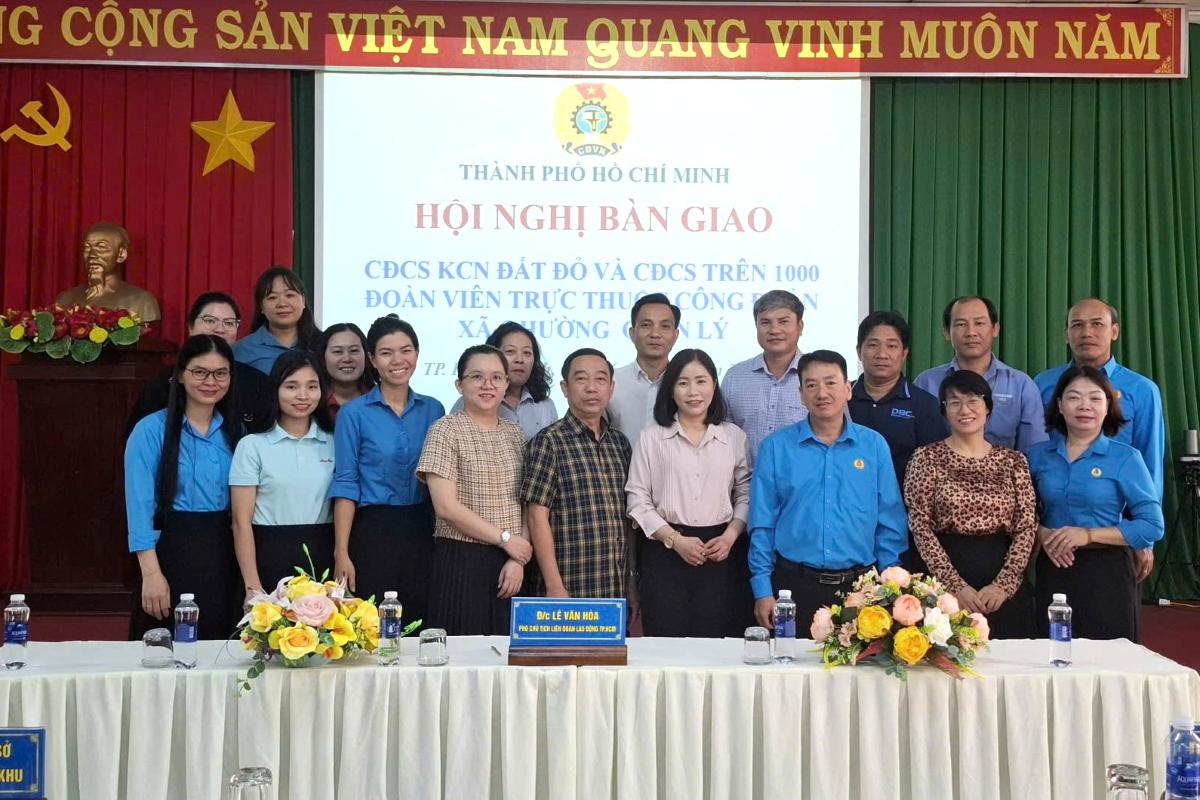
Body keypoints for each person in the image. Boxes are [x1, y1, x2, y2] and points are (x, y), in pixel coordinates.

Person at [749, 350, 908, 628]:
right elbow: (762, 523)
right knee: (791, 669)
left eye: (831, 382)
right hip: (792, 587)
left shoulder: (873, 446)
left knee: (857, 671)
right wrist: (763, 589)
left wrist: (888, 585)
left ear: (848, 389)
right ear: (801, 394)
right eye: (811, 385)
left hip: (861, 591)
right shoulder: (776, 448)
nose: (822, 392)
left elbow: (890, 520)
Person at [1027, 365, 1164, 641]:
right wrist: (1042, 533)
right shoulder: (1039, 455)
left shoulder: (1126, 457)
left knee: (1109, 664)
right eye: (1074, 397)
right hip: (1054, 566)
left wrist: (1087, 535)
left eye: (1095, 398)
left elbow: (1152, 526)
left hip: (1107, 571)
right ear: (1060, 405)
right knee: (1052, 659)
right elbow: (1022, 512)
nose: (1084, 406)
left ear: (1108, 406)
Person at [903, 370, 1037, 638]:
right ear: (944, 411)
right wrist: (953, 586)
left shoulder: (1014, 461)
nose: (964, 409)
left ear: (988, 407)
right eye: (954, 402)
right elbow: (920, 527)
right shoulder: (926, 458)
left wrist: (1003, 585)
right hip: (942, 576)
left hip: (1000, 577)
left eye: (973, 400)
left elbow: (1026, 528)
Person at [625, 349, 750, 637]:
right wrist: (675, 540)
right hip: (665, 553)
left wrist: (730, 536)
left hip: (721, 552)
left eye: (701, 381)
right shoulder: (651, 437)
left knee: (718, 645)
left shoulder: (733, 436)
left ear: (714, 386)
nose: (693, 392)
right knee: (668, 646)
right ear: (670, 390)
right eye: (683, 383)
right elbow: (638, 500)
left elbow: (746, 492)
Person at [124, 334, 242, 639]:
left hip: (223, 553)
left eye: (220, 373)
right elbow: (139, 508)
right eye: (199, 372)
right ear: (180, 374)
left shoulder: (237, 433)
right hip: (170, 551)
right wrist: (151, 574)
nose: (210, 381)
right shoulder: (150, 431)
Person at [330, 316, 444, 618]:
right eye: (386, 352)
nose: (398, 360)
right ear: (372, 359)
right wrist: (342, 551)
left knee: (421, 621)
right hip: (372, 531)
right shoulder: (353, 413)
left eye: (406, 350)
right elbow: (345, 483)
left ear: (417, 354)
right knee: (375, 625)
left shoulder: (434, 409)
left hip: (423, 528)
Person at [418, 345, 533, 634]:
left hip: (512, 562)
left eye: (497, 377)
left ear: (507, 383)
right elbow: (446, 507)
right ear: (459, 384)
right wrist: (505, 539)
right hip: (462, 560)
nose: (488, 385)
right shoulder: (445, 429)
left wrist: (517, 557)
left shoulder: (516, 433)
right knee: (463, 660)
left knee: (511, 661)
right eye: (477, 377)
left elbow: (528, 502)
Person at [521, 348, 632, 599]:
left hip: (614, 589)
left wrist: (631, 583)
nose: (592, 388)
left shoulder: (620, 444)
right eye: (581, 379)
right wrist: (554, 585)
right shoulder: (549, 442)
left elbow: (626, 519)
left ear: (611, 388)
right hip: (568, 587)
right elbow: (537, 517)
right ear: (564, 387)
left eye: (600, 379)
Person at [230, 351, 336, 602]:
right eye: (291, 386)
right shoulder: (252, 445)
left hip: (321, 557)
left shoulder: (334, 442)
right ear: (275, 390)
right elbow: (240, 522)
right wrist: (252, 587)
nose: (303, 396)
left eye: (312, 386)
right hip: (268, 556)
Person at [1033, 298, 1165, 498]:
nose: (1087, 333)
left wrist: (1143, 521)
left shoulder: (1142, 390)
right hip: (1052, 508)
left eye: (1097, 324)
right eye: (1077, 325)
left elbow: (1151, 460)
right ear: (1066, 335)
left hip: (1115, 516)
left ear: (1114, 331)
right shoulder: (1043, 384)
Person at [126, 292, 272, 436]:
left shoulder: (257, 383)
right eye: (209, 320)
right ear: (191, 327)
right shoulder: (163, 383)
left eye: (229, 323)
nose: (220, 329)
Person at [914, 296, 1047, 453]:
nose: (971, 332)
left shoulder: (1021, 385)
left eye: (979, 323)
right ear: (946, 332)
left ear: (995, 329)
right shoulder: (926, 383)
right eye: (961, 324)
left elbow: (1034, 450)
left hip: (1004, 475)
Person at [848, 310, 946, 484]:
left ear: (905, 353)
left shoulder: (924, 404)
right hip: (845, 504)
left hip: (900, 506)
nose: (882, 354)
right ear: (858, 351)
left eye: (892, 346)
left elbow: (935, 468)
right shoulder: (841, 399)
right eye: (872, 345)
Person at [721, 290, 808, 463]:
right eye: (765, 323)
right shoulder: (735, 377)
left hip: (802, 486)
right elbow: (721, 438)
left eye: (783, 322)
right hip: (744, 485)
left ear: (800, 327)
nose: (774, 330)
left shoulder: (817, 376)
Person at [449, 321, 557, 438]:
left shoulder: (546, 405)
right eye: (510, 351)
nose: (520, 360)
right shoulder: (470, 402)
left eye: (527, 353)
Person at [609, 293, 681, 443]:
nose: (655, 334)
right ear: (632, 333)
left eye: (665, 326)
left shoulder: (688, 386)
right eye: (646, 325)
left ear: (675, 335)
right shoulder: (612, 383)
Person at [57, 221, 160, 322]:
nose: (92, 255)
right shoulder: (65, 299)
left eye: (101, 247)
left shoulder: (141, 300)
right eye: (87, 248)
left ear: (121, 254)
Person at [233, 266, 321, 375]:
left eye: (289, 295)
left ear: (303, 301)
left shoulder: (322, 344)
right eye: (272, 297)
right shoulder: (243, 349)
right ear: (261, 307)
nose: (282, 304)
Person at [317, 323, 374, 421]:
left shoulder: (381, 400)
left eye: (354, 350)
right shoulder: (312, 402)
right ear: (323, 357)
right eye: (337, 352)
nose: (347, 359)